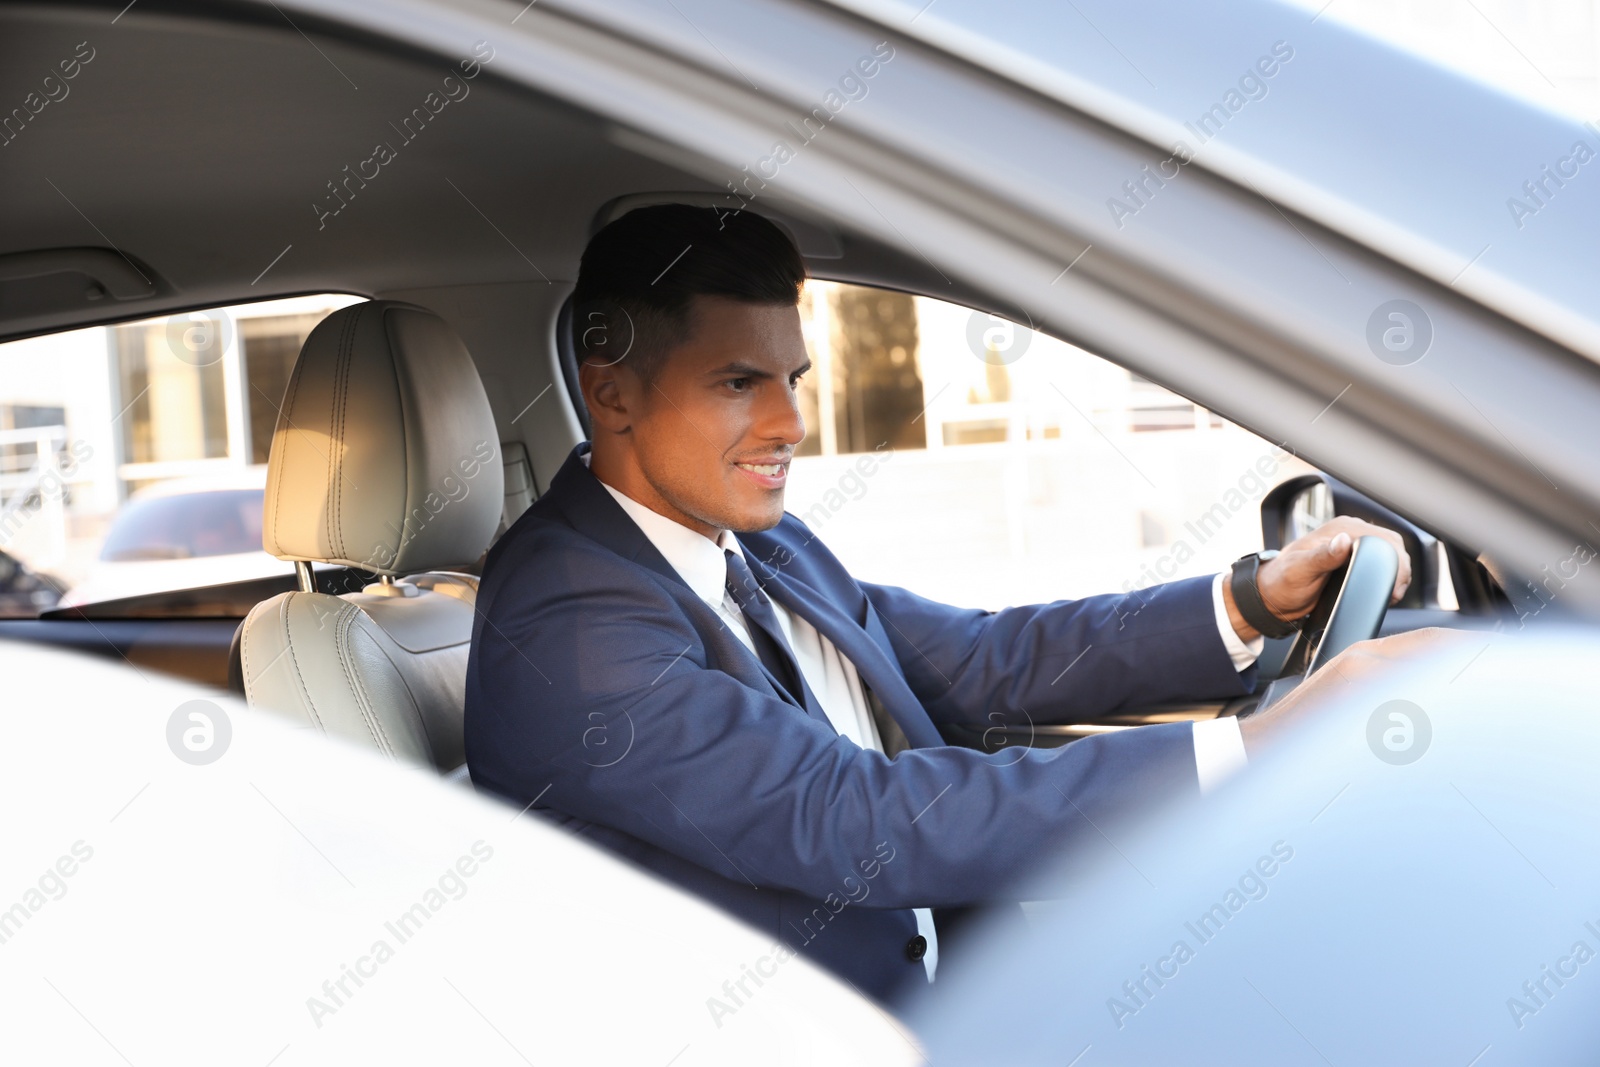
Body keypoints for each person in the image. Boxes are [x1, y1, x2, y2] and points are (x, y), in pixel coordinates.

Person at [463, 204, 1411, 1005]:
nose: (792, 423)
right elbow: (849, 816)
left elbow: (982, 659)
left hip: (970, 984)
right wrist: (1255, 751)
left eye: (790, 379)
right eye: (737, 382)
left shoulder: (749, 540)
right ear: (612, 394)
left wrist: (1250, 601)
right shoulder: (567, 615)